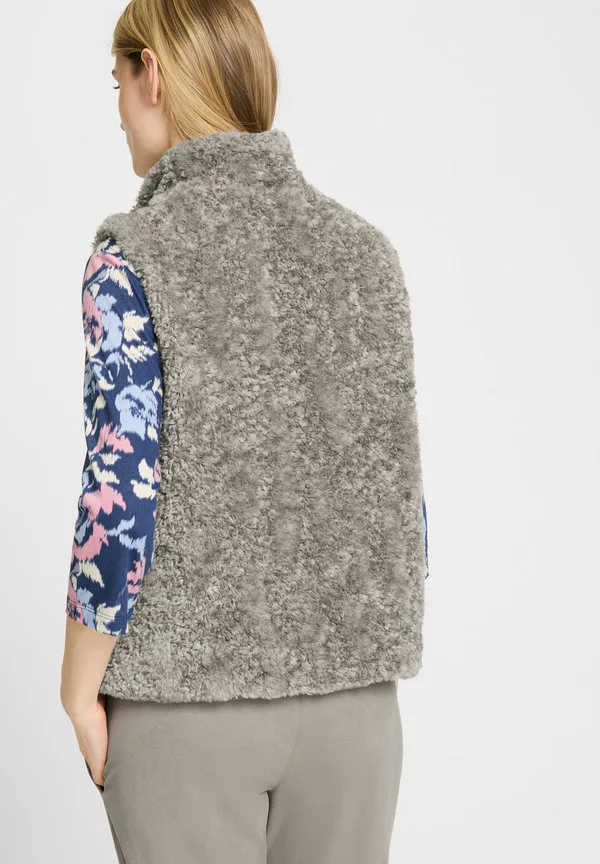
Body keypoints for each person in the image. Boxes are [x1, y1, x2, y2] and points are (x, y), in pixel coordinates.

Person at [60, 1, 429, 862]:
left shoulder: (133, 257)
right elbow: (402, 499)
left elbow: (121, 490)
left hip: (184, 714)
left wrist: (78, 691)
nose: (118, 109)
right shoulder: (365, 254)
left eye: (117, 82)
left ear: (153, 73)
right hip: (357, 715)